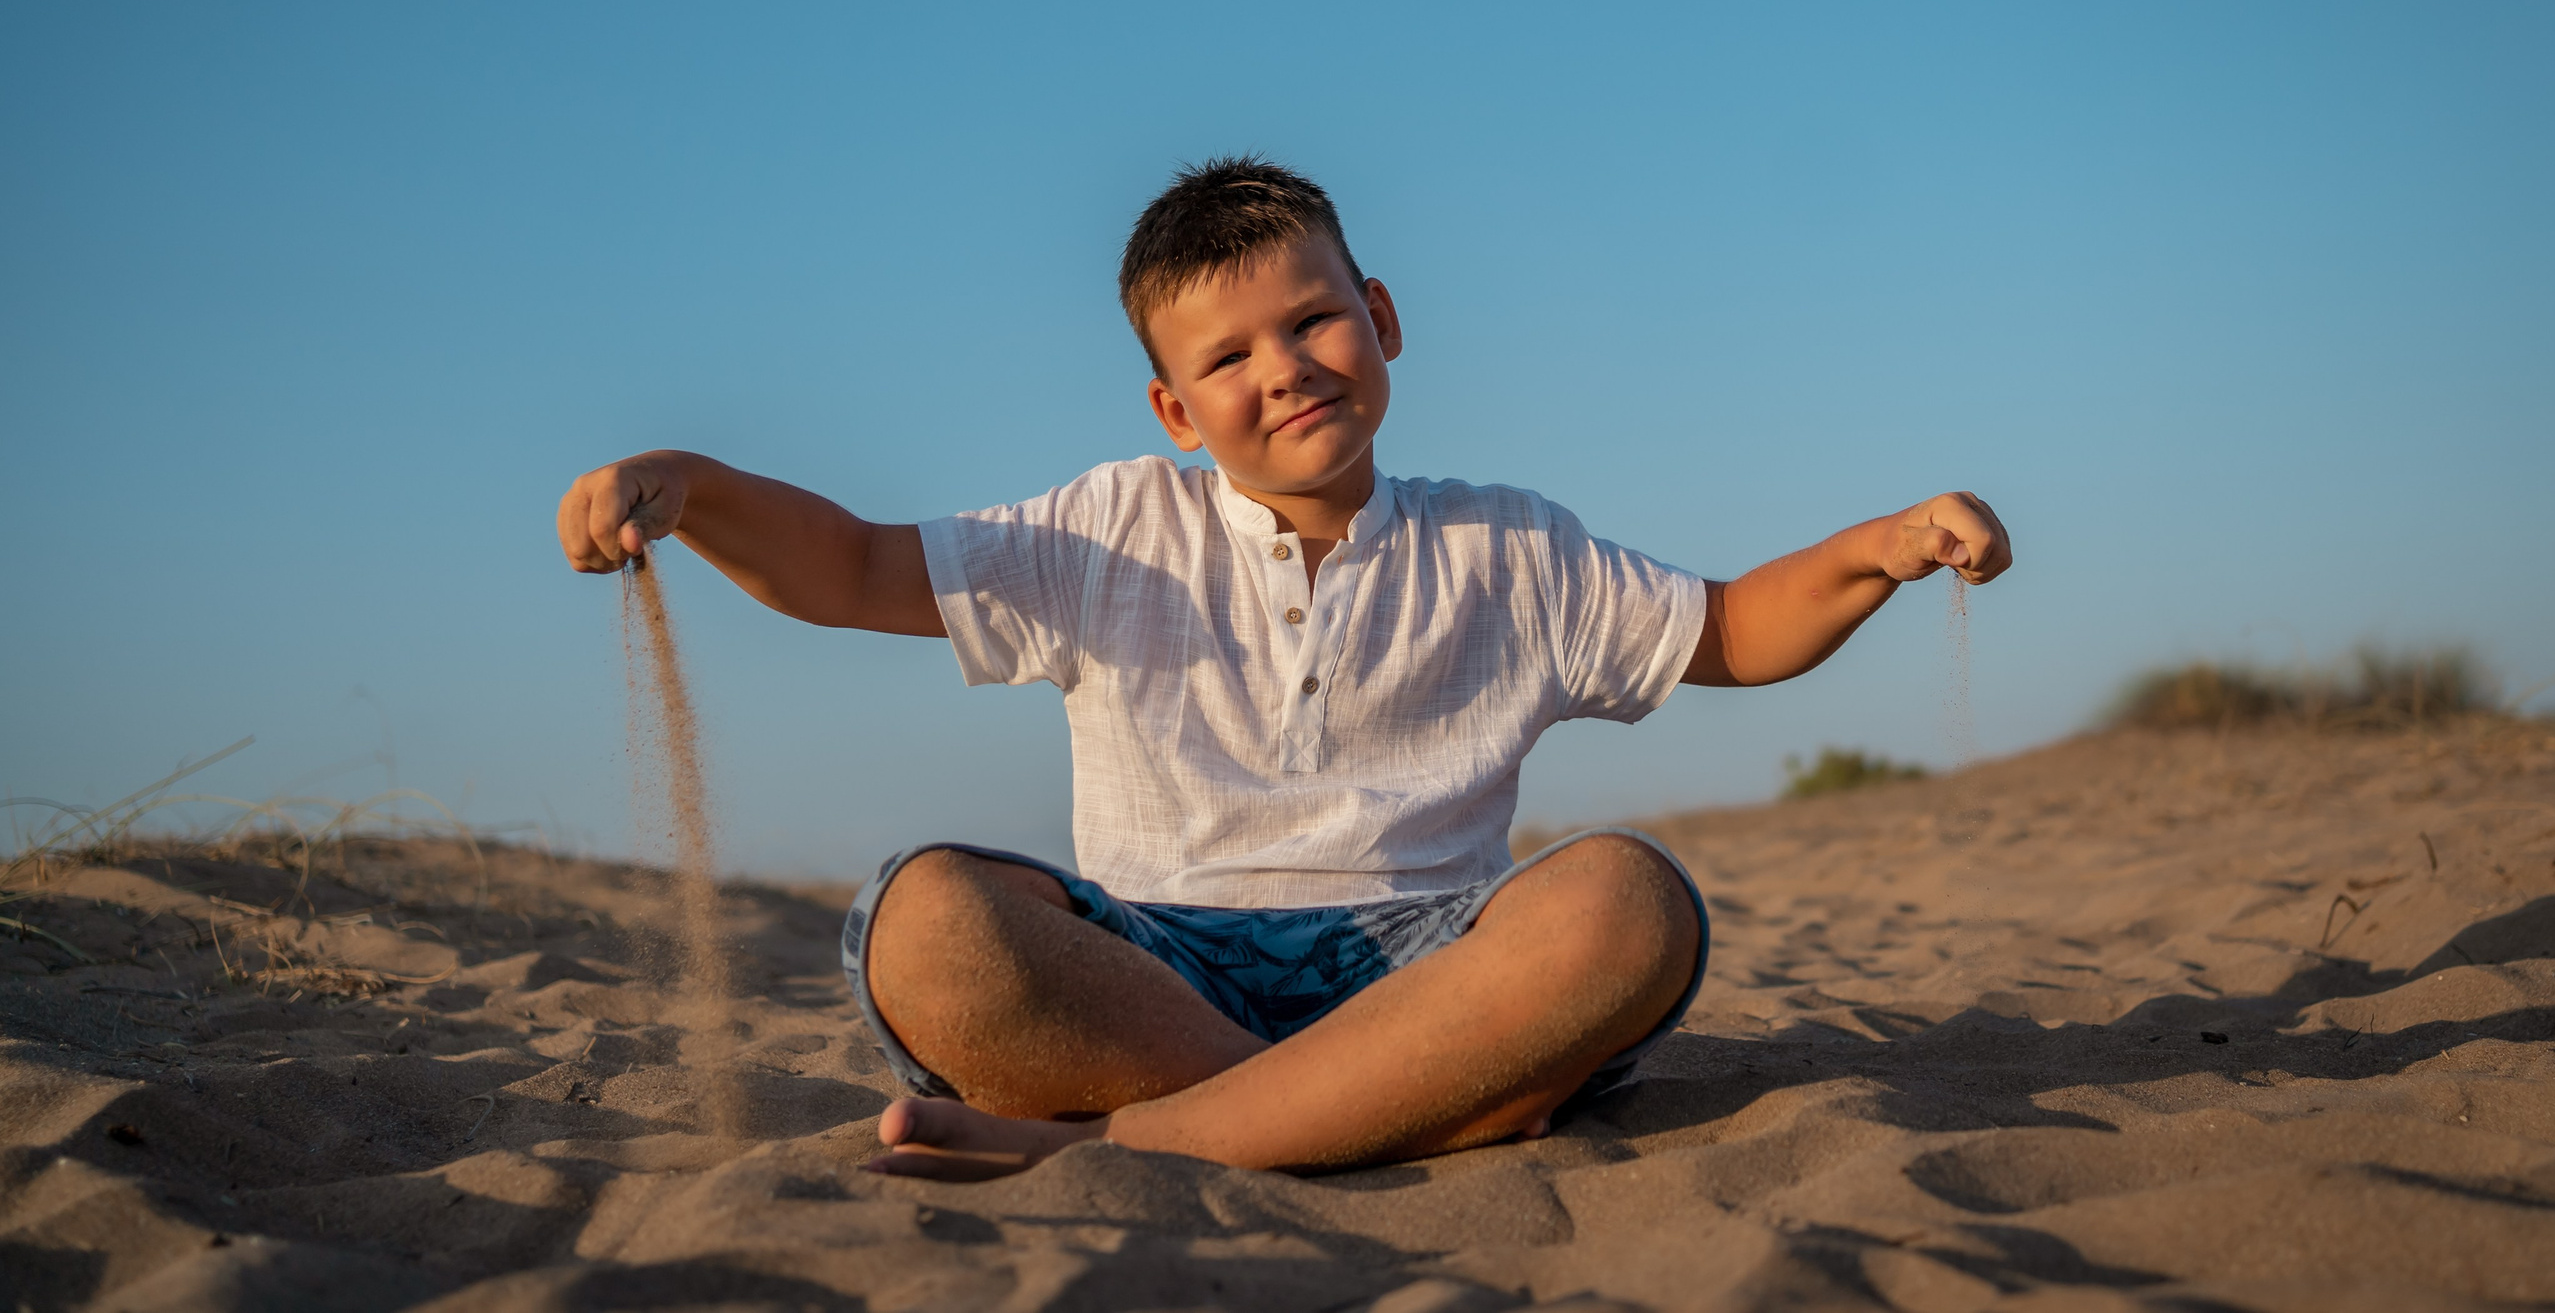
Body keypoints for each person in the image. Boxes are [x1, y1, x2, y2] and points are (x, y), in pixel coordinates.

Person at [555, 157, 2010, 1180]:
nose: (1288, 368)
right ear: (1175, 408)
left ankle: (1131, 1144)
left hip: (1428, 966)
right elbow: (857, 567)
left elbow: (1733, 634)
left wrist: (1878, 548)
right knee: (926, 919)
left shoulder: (1507, 546)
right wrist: (694, 481)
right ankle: (1363, 1116)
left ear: (1379, 319)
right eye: (1231, 356)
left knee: (1626, 901)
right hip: (1156, 967)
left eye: (1312, 321)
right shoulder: (1110, 527)